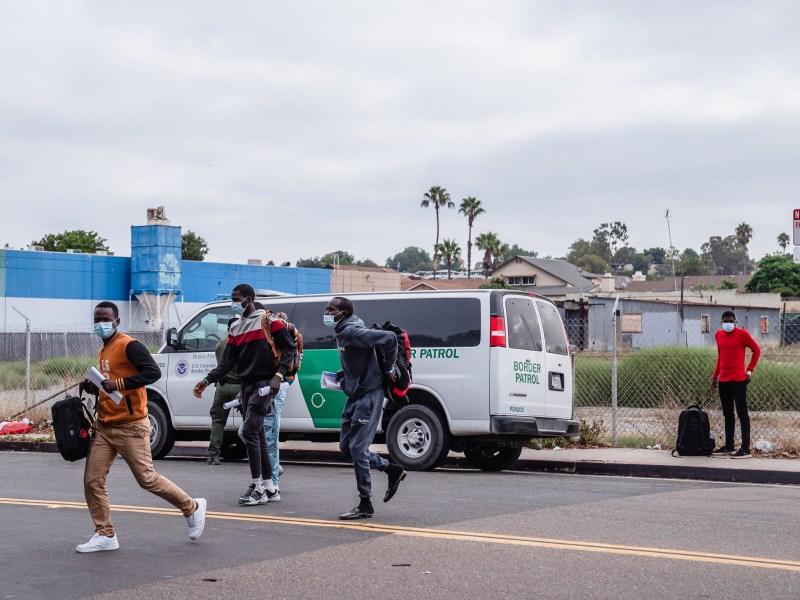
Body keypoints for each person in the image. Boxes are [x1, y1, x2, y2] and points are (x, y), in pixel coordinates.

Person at [77, 301, 206, 553]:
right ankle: (105, 534)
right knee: (92, 480)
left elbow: (152, 373)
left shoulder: (129, 345)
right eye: (97, 319)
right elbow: (110, 383)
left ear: (117, 322)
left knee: (147, 479)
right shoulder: (104, 349)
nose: (101, 323)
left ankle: (192, 507)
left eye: (105, 319)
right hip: (105, 426)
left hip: (131, 426)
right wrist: (97, 386)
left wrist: (119, 384)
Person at [193, 284, 296, 505]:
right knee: (257, 435)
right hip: (246, 385)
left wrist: (278, 376)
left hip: (264, 385)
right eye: (232, 299)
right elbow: (228, 361)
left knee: (249, 432)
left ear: (248, 299)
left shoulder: (269, 320)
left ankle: (257, 487)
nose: (233, 303)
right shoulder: (235, 327)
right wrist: (207, 380)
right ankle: (270, 488)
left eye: (236, 299)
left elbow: (289, 348)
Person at [324, 296, 407, 520]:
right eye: (327, 309)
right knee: (346, 447)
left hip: (368, 395)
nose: (327, 313)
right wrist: (346, 373)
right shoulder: (343, 331)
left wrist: (389, 368)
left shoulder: (352, 331)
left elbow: (390, 338)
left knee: (358, 449)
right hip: (354, 394)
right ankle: (392, 470)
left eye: (331, 310)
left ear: (343, 313)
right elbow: (360, 357)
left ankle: (365, 504)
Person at [711, 310, 761, 459]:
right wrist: (714, 377)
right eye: (725, 321)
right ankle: (729, 446)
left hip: (739, 380)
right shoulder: (718, 335)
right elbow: (720, 357)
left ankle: (745, 449)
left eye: (731, 321)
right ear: (721, 322)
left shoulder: (742, 334)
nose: (728, 323)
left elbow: (756, 350)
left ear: (736, 322)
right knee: (728, 414)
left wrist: (749, 370)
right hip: (723, 381)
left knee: (742, 413)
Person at [205, 318, 241, 465]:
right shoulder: (244, 344)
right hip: (240, 388)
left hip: (222, 386)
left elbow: (220, 365)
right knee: (250, 421)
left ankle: (214, 455)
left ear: (228, 329)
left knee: (218, 420)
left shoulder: (220, 344)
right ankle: (255, 453)